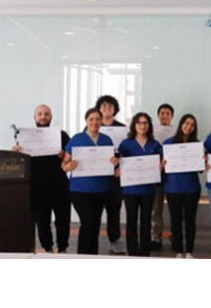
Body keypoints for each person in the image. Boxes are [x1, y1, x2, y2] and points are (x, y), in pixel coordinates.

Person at [12, 104, 71, 253]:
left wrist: (64, 155)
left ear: (51, 117)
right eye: (40, 114)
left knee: (63, 219)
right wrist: (15, 151)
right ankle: (48, 249)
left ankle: (63, 248)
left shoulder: (62, 134)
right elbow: (20, 161)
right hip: (37, 185)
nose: (43, 117)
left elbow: (71, 157)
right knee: (42, 220)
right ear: (35, 117)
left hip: (59, 184)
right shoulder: (24, 136)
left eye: (46, 114)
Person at [61, 108, 118, 255]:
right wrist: (69, 166)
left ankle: (93, 255)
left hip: (101, 189)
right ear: (86, 121)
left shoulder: (106, 140)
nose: (95, 122)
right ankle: (83, 255)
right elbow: (64, 165)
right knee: (88, 222)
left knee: (95, 224)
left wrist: (114, 161)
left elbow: (112, 163)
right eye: (91, 119)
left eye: (98, 119)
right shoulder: (76, 139)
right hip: (79, 190)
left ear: (101, 121)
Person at [117, 112, 162, 257]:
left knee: (146, 220)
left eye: (145, 123)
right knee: (131, 220)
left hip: (148, 189)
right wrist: (117, 169)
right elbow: (118, 162)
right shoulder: (125, 144)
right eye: (139, 123)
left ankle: (144, 251)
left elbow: (161, 162)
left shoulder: (155, 144)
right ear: (134, 125)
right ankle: (133, 251)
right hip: (130, 190)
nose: (142, 126)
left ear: (149, 126)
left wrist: (161, 166)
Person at [162, 114, 202, 258]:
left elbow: (201, 169)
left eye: (192, 125)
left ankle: (189, 250)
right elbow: (162, 166)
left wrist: (203, 160)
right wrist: (163, 165)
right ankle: (179, 250)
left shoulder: (197, 145)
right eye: (186, 123)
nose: (189, 126)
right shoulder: (168, 143)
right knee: (176, 220)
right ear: (181, 124)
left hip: (192, 188)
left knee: (190, 220)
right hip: (173, 188)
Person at [95, 94, 127, 254]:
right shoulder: (93, 125)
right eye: (104, 106)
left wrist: (121, 166)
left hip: (115, 175)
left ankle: (114, 240)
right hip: (97, 176)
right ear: (99, 109)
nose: (107, 109)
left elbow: (126, 150)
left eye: (110, 106)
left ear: (115, 109)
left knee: (114, 209)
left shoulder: (123, 128)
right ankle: (91, 240)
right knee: (94, 210)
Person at [151, 103, 176, 250]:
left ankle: (175, 236)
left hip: (173, 175)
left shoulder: (177, 131)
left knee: (174, 208)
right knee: (156, 208)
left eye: (167, 113)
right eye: (162, 113)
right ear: (158, 115)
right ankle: (156, 236)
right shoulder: (151, 130)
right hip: (156, 174)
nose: (164, 116)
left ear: (172, 116)